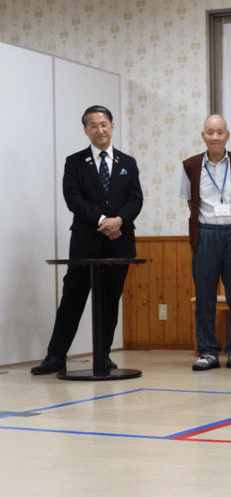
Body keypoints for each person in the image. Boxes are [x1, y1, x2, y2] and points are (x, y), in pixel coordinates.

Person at [31, 106, 143, 376]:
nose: (99, 130)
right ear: (85, 130)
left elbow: (135, 199)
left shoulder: (127, 163)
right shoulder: (75, 162)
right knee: (72, 299)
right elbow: (73, 199)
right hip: (85, 242)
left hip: (120, 242)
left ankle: (103, 356)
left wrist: (119, 221)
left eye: (103, 124)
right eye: (93, 125)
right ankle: (56, 356)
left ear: (112, 126)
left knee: (109, 302)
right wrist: (104, 221)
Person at [180, 114, 231, 371]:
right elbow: (192, 203)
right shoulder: (191, 165)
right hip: (205, 234)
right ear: (203, 135)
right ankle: (208, 352)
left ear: (227, 135)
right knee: (205, 296)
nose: (215, 137)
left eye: (220, 132)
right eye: (210, 132)